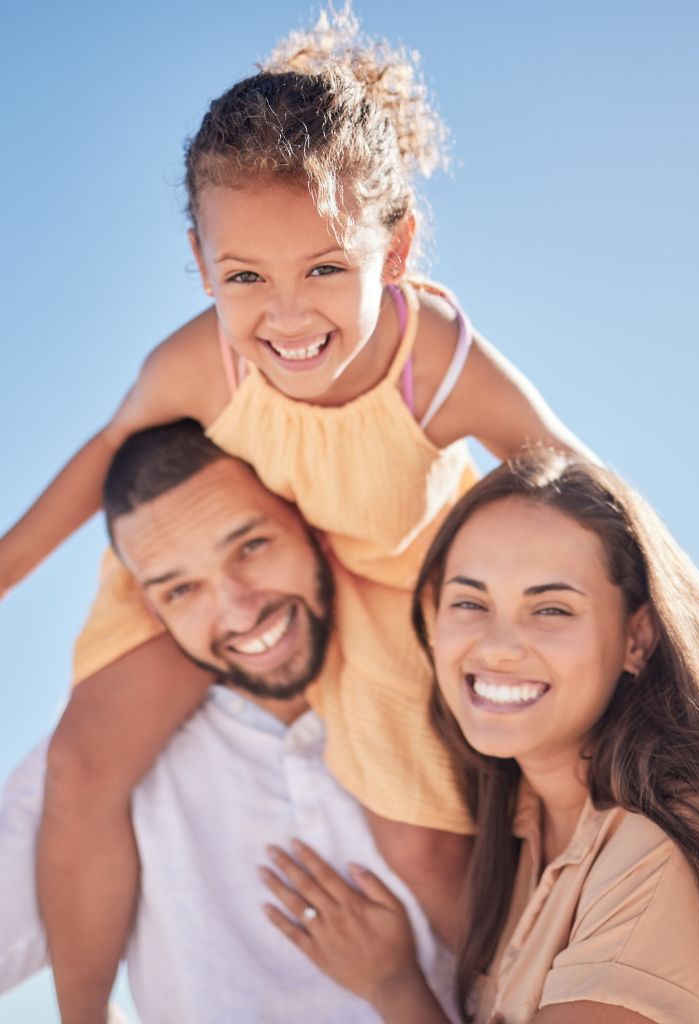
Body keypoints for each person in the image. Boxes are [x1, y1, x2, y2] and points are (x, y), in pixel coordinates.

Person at [0, 8, 590, 1020]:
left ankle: (511, 1000)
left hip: (389, 583)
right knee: (85, 758)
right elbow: (103, 454)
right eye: (245, 277)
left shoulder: (435, 361)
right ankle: (82, 1013)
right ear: (199, 263)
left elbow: (575, 485)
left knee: (416, 834)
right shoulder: (203, 360)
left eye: (325, 268)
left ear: (394, 248)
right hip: (235, 553)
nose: (285, 315)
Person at [260, 450, 699, 1023]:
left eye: (551, 609)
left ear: (637, 637)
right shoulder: (525, 830)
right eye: (470, 602)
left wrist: (396, 988)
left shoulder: (670, 843)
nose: (497, 645)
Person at [0, 419, 454, 1023]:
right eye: (181, 590)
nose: (238, 611)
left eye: (252, 547)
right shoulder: (94, 764)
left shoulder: (454, 703)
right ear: (152, 610)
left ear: (316, 531)